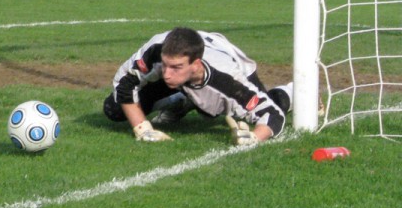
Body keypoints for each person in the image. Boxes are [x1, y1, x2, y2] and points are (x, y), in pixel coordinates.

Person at [102, 27, 292, 146]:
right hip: (187, 78)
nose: (167, 73)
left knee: (269, 109)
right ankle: (181, 100)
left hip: (230, 62)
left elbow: (273, 115)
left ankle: (294, 91)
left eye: (175, 67)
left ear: (197, 64)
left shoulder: (228, 79)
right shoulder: (154, 52)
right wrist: (143, 130)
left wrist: (253, 138)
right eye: (165, 64)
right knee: (114, 108)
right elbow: (124, 84)